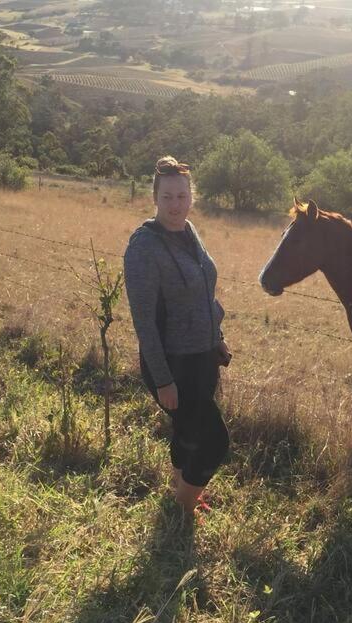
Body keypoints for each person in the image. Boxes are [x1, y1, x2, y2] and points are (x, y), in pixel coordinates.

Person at [124, 156, 232, 515]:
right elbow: (144, 323)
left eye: (182, 196)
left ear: (191, 197)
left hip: (202, 356)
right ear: (155, 197)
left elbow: (203, 291)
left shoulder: (189, 232)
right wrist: (163, 379)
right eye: (168, 197)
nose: (175, 205)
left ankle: (181, 490)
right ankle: (181, 510)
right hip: (173, 364)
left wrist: (216, 336)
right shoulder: (144, 247)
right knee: (214, 441)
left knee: (187, 431)